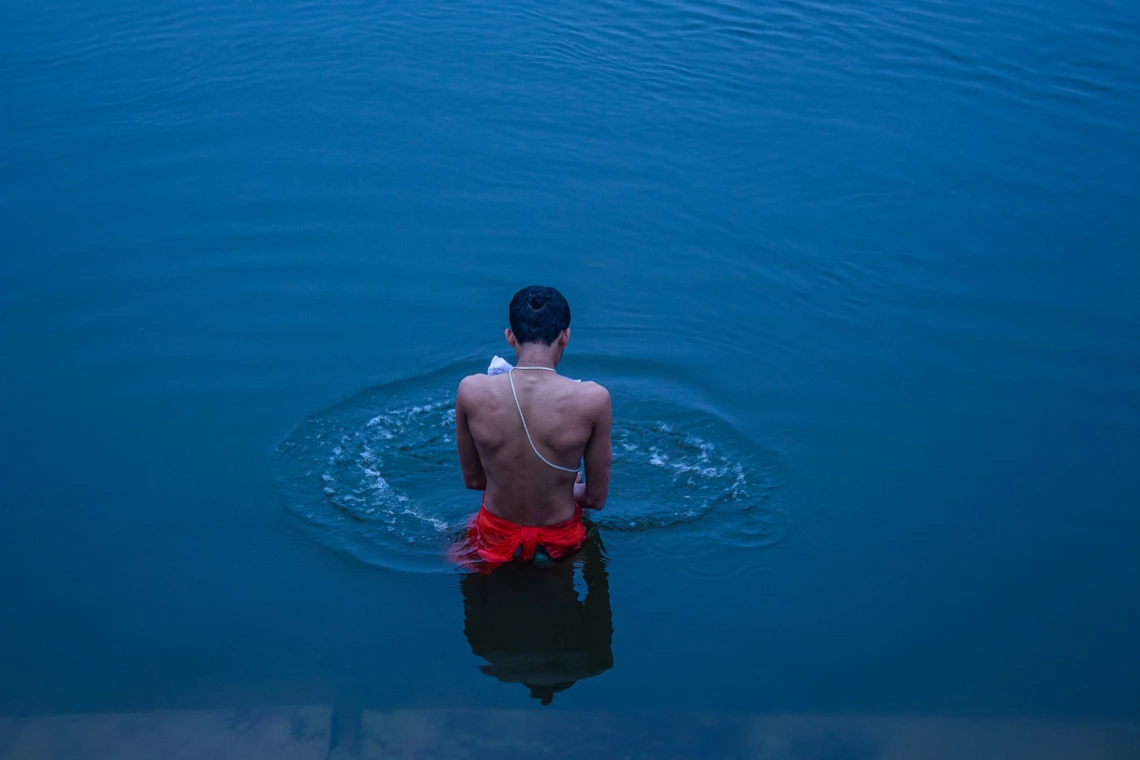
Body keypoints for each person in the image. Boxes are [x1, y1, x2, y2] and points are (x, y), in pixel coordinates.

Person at [454, 285, 612, 566]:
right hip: (559, 544)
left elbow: (475, 481)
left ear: (510, 336)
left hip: (494, 540)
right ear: (565, 336)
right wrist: (563, 485)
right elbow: (595, 499)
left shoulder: (471, 390)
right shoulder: (593, 399)